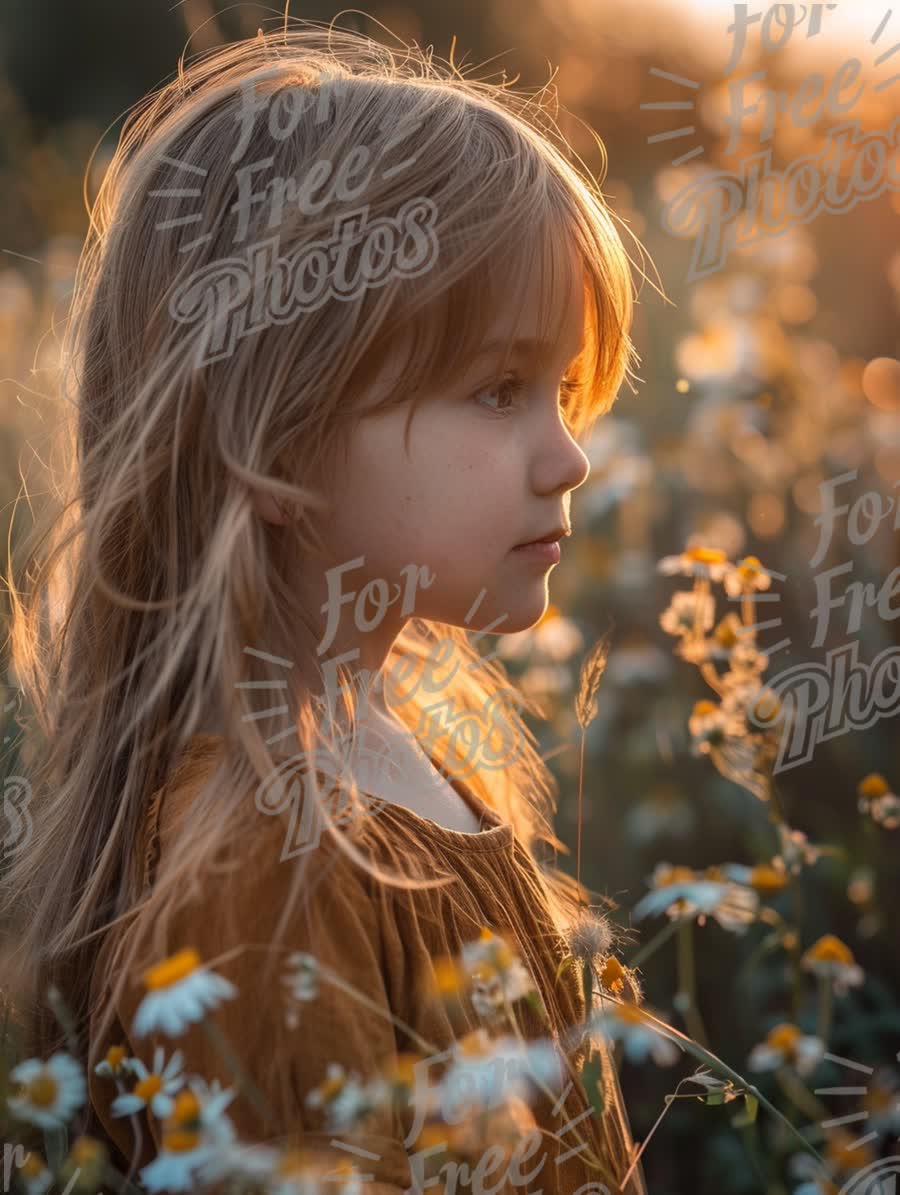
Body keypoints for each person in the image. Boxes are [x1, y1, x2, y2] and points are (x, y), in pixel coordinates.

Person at [1, 23, 647, 1194]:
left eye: (562, 391)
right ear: (276, 441)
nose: (569, 458)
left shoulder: (393, 752)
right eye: (499, 390)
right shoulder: (260, 876)